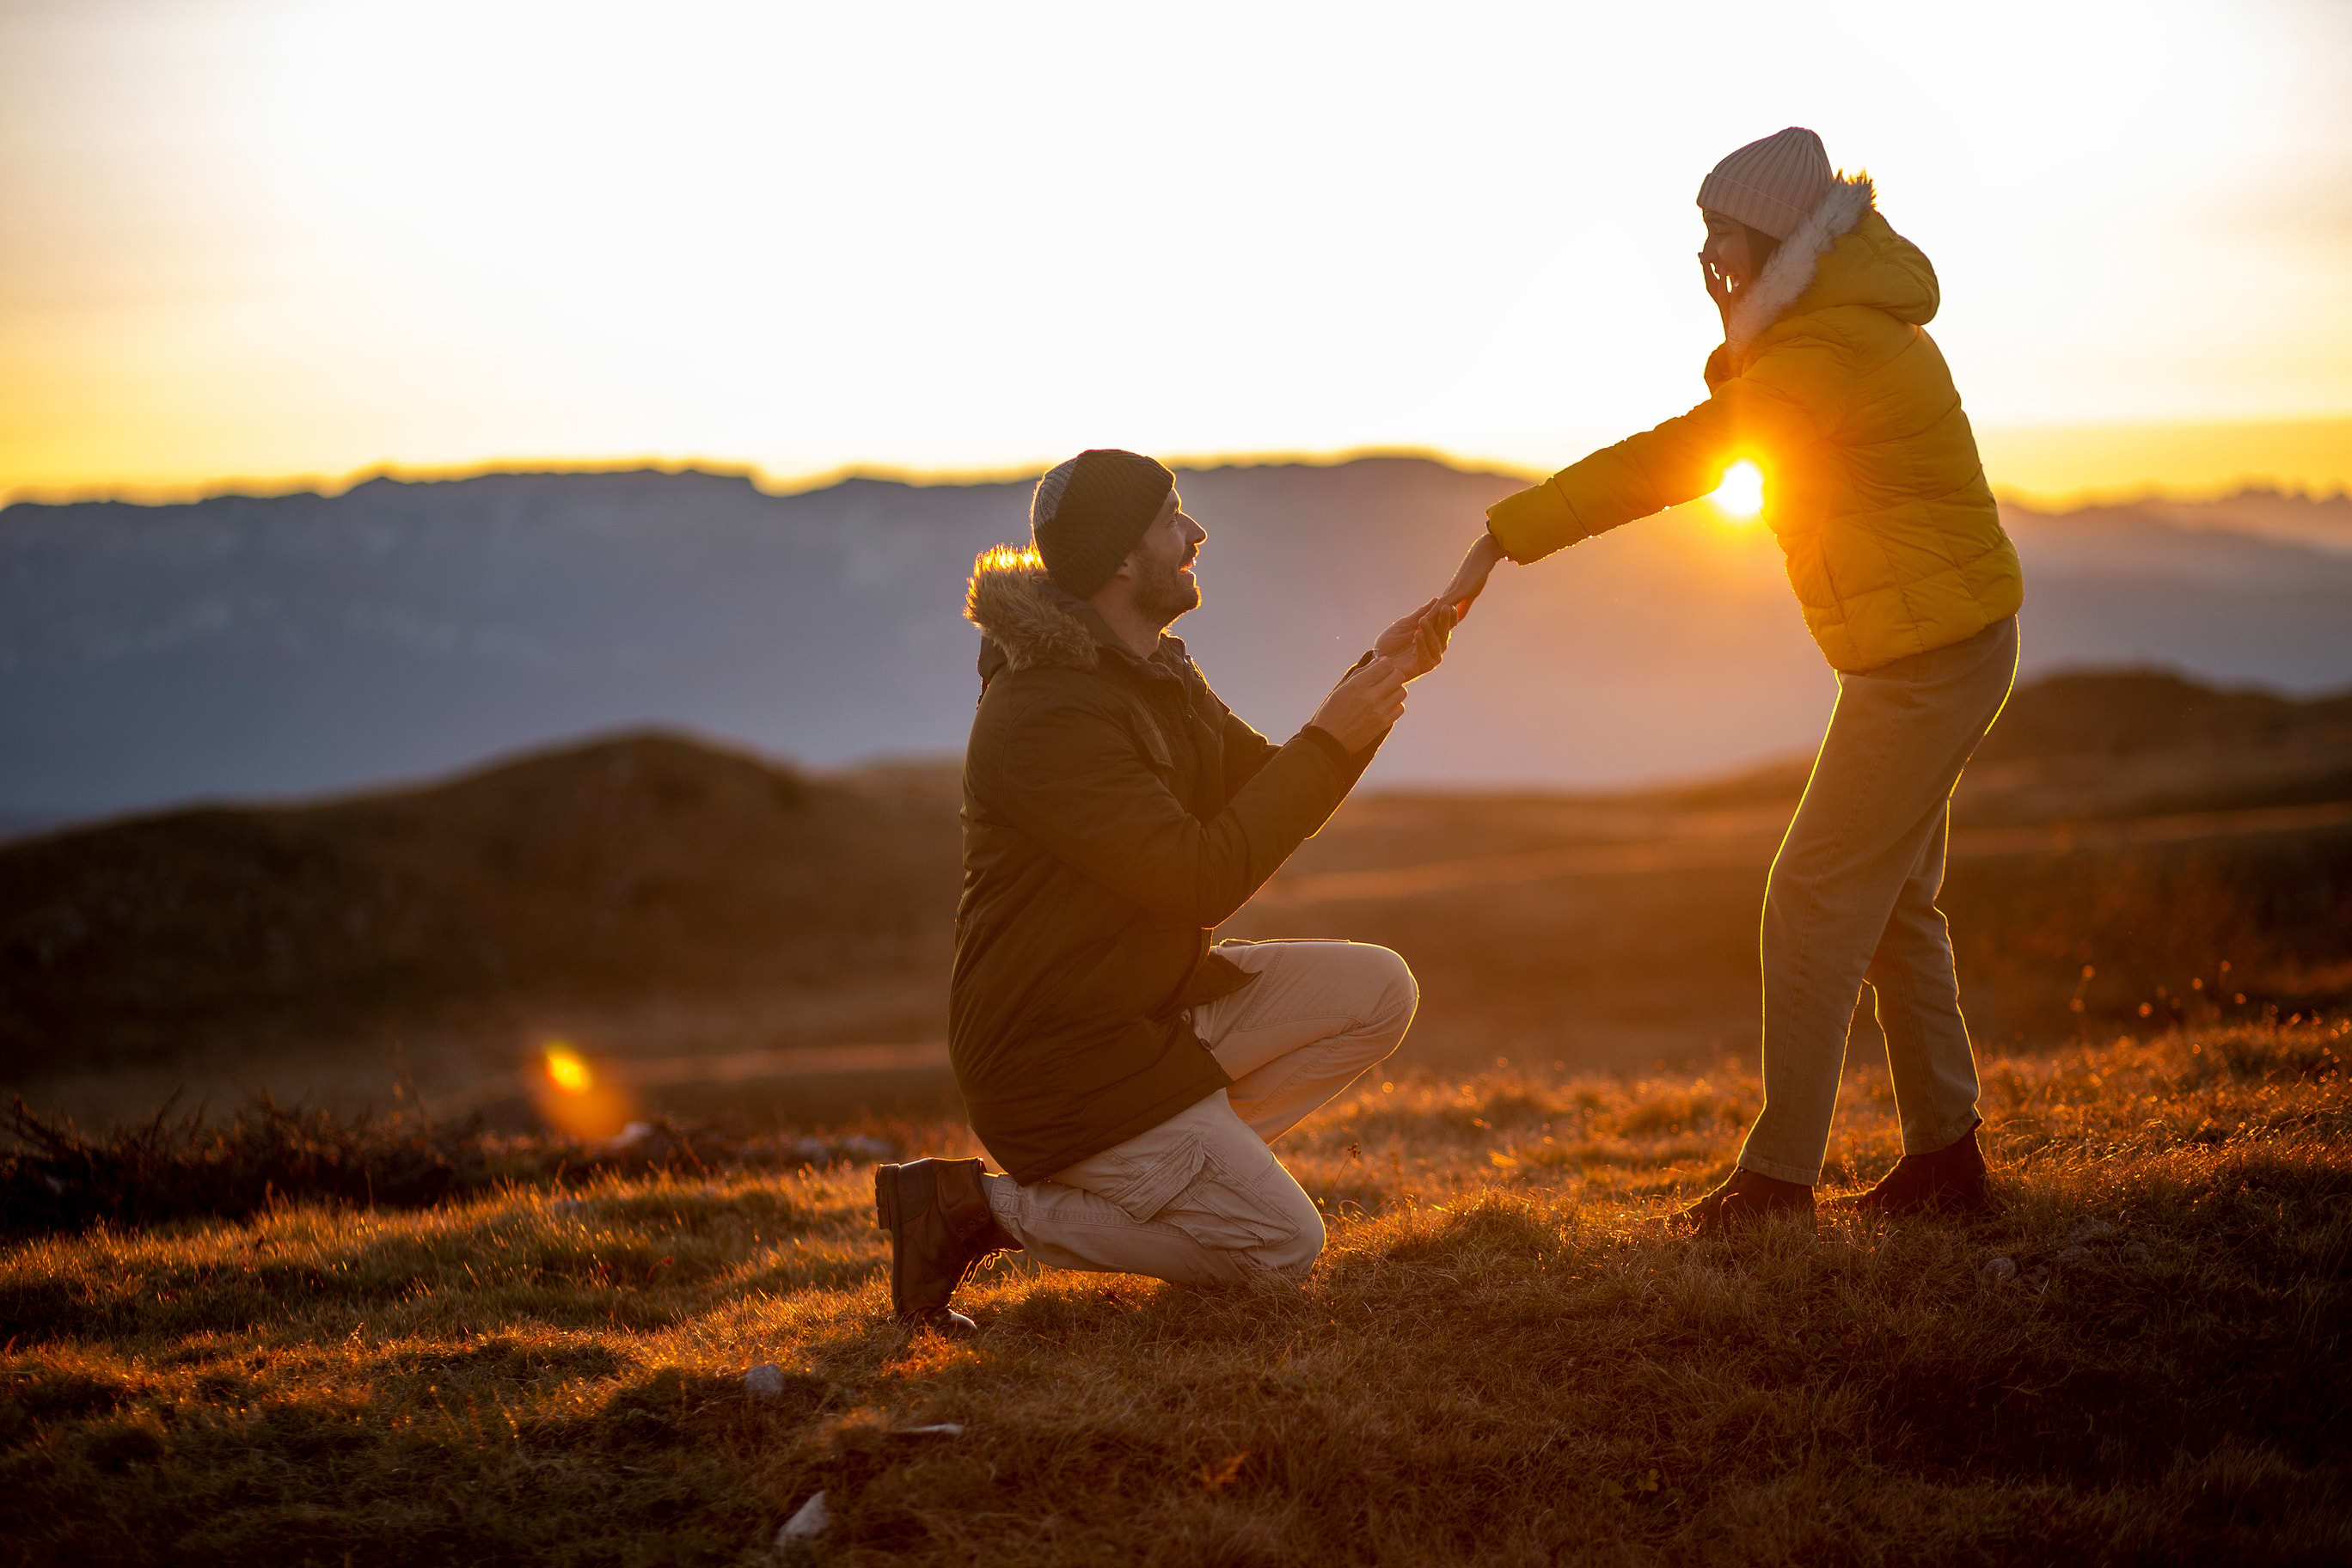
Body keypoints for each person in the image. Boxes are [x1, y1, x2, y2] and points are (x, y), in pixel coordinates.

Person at [1440, 128, 2024, 1233]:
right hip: (1936, 644)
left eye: (1725, 237)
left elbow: (1680, 459)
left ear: (1777, 239)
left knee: (1811, 898)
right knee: (1894, 903)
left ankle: (1775, 1189)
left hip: (1926, 661)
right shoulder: (1831, 329)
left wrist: (1503, 539)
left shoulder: (1825, 353)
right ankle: (1948, 1167)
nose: (1711, 260)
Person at [875, 448, 1457, 1332]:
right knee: (1279, 1248)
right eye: (1170, 518)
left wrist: (1378, 676)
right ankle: (975, 1212)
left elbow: (1264, 783)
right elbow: (1200, 879)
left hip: (1146, 1017)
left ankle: (1182, 1169)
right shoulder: (1044, 716)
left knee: (1378, 990)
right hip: (1060, 1065)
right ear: (1118, 558)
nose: (1196, 533)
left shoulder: (1151, 670)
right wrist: (1336, 736)